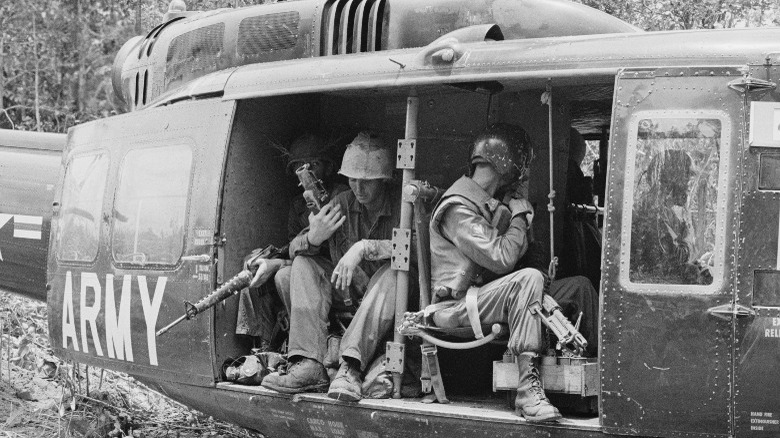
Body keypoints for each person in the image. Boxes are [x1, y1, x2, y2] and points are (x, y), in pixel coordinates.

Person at [425, 123, 579, 422]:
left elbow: (521, 261)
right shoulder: (458, 207)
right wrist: (520, 216)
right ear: (507, 166)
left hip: (493, 297)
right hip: (455, 307)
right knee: (528, 281)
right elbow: (501, 258)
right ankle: (527, 391)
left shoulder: (492, 204)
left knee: (579, 287)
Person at [262, 131, 402, 394]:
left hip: (387, 297)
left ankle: (350, 367)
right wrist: (313, 239)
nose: (358, 188)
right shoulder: (342, 203)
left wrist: (364, 248)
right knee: (302, 264)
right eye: (352, 180)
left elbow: (417, 249)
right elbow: (293, 249)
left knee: (394, 273)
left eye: (367, 181)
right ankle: (308, 365)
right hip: (350, 292)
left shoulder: (400, 205)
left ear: (384, 179)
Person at [235, 133, 347, 351]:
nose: (307, 171)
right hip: (309, 271)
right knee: (264, 265)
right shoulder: (298, 206)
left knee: (289, 273)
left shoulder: (341, 196)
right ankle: (271, 347)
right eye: (300, 166)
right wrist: (275, 262)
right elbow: (294, 249)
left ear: (328, 167)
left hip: (340, 275)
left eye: (313, 164)